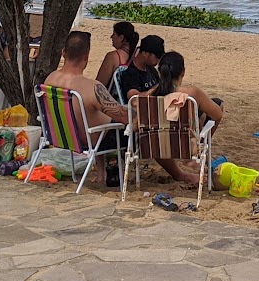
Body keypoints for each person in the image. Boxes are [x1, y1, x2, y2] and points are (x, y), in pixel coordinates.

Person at [44, 31, 128, 186]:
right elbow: (124, 117)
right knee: (127, 126)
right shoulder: (92, 87)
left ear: (63, 53)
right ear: (86, 56)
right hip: (90, 140)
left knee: (93, 115)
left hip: (62, 138)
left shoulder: (50, 79)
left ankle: (101, 174)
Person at [147, 50, 223, 187]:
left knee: (158, 133)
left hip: (156, 146)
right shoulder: (191, 93)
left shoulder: (150, 96)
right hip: (185, 146)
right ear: (183, 72)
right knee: (216, 107)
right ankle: (196, 153)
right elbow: (217, 114)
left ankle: (178, 173)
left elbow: (135, 108)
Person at [95, 20, 139, 86]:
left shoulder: (113, 57)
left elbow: (100, 84)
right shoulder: (138, 54)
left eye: (114, 34)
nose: (111, 37)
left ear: (121, 37)